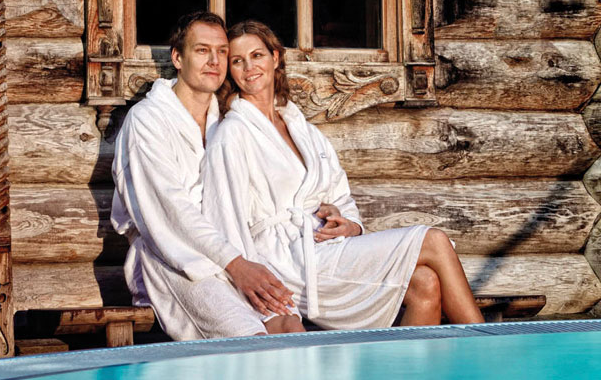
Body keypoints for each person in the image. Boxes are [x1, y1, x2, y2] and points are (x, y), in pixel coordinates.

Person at [202, 19, 484, 329]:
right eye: (237, 61)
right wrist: (246, 275)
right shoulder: (232, 134)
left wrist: (351, 227)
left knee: (425, 282)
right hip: (288, 262)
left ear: (275, 58)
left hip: (329, 248)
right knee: (433, 240)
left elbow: (339, 194)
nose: (248, 67)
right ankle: (486, 346)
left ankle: (405, 377)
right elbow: (223, 214)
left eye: (257, 55)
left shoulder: (302, 129)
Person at [111, 11, 311, 340]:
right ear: (177, 57)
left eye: (221, 52)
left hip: (234, 250)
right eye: (202, 50)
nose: (214, 61)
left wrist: (328, 209)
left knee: (289, 325)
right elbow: (169, 210)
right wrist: (237, 265)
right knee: (251, 338)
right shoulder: (147, 121)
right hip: (175, 259)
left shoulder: (224, 121)